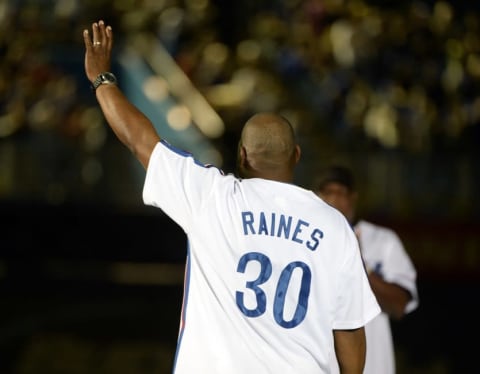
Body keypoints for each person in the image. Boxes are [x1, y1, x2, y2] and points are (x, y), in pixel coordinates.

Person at [83, 20, 381, 374]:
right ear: (296, 156)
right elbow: (349, 331)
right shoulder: (334, 226)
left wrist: (102, 79)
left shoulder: (211, 196)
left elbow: (140, 140)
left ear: (242, 156)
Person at [313, 164, 419, 374]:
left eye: (339, 193)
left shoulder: (382, 240)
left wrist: (362, 269)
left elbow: (399, 305)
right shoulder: (305, 240)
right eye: (327, 192)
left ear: (353, 198)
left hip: (373, 366)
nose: (333, 199)